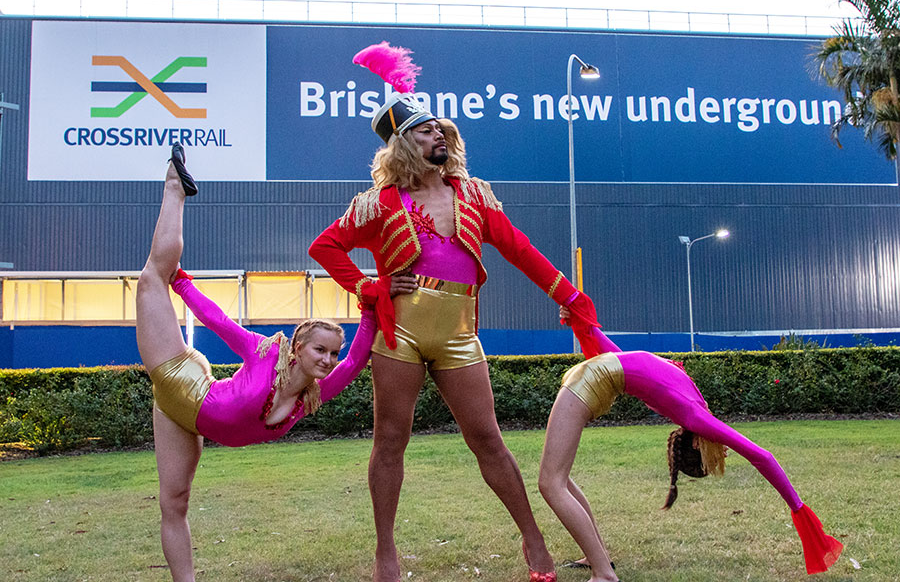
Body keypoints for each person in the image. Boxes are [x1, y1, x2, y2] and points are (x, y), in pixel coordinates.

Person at [308, 42, 603, 582]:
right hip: (399, 332)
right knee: (389, 441)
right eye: (425, 131)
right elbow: (324, 247)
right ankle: (386, 552)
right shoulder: (378, 204)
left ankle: (533, 540)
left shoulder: (475, 195)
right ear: (403, 144)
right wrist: (369, 285)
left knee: (487, 438)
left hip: (459, 332)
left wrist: (571, 297)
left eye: (441, 129)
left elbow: (522, 251)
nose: (438, 135)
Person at [135, 143, 377, 582]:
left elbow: (359, 358)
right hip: (180, 380)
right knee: (153, 277)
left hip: (186, 421)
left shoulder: (315, 393)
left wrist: (371, 302)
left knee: (176, 503)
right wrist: (183, 284)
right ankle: (175, 186)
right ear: (299, 347)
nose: (328, 359)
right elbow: (221, 323)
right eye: (320, 349)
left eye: (332, 353)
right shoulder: (267, 352)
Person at [537, 308, 844, 581]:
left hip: (590, 379)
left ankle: (603, 573)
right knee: (557, 480)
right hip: (594, 375)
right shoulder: (694, 407)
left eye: (717, 456)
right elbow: (622, 360)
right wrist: (582, 326)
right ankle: (598, 559)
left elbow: (760, 457)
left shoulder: (694, 415)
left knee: (551, 483)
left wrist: (799, 509)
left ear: (697, 446)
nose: (725, 450)